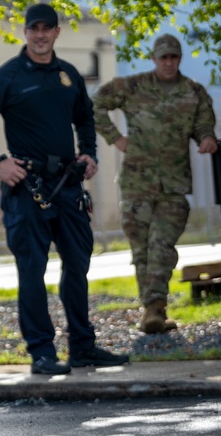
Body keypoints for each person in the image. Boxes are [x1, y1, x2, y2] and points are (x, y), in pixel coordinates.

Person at [0, 2, 130, 375]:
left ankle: (83, 348)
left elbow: (85, 119)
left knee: (78, 266)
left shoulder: (68, 75)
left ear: (56, 33)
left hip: (67, 185)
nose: (40, 35)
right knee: (32, 270)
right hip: (27, 189)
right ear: (25, 32)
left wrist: (88, 153)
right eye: (33, 29)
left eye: (46, 29)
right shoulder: (6, 78)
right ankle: (42, 352)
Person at [92, 33, 218, 333]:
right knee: (141, 250)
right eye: (164, 57)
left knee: (161, 244)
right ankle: (152, 310)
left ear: (179, 59)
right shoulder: (133, 86)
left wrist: (207, 138)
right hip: (137, 182)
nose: (169, 62)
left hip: (174, 185)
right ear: (154, 59)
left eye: (174, 57)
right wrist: (116, 138)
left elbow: (203, 123)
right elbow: (95, 104)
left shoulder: (193, 91)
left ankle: (154, 306)